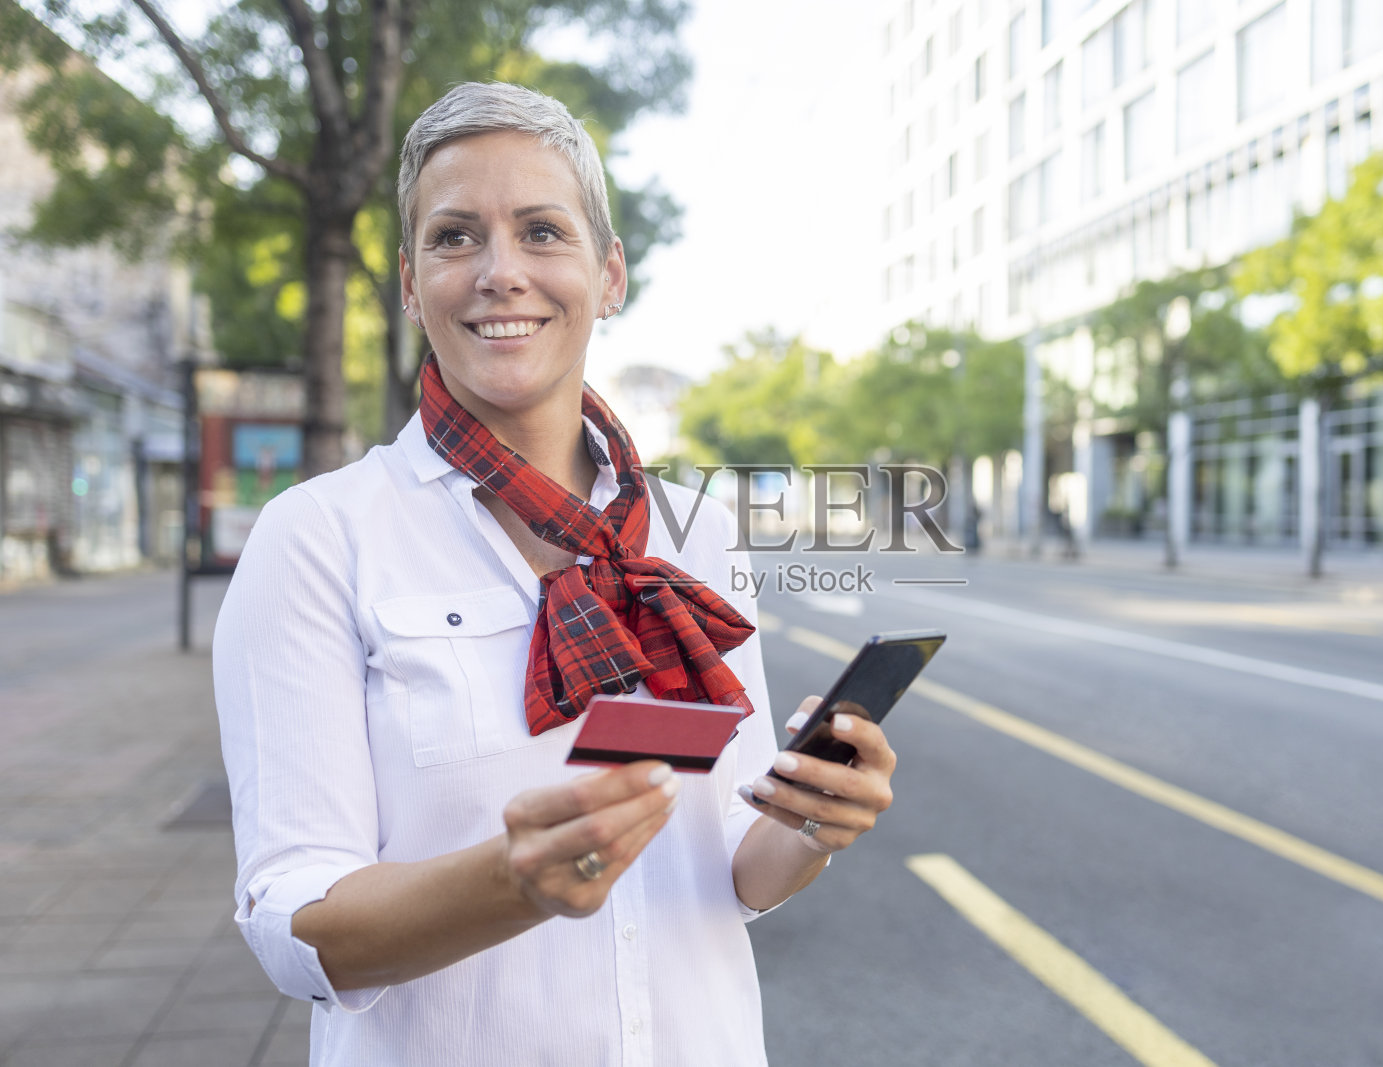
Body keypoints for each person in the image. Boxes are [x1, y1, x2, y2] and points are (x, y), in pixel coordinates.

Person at [213, 81, 898, 1066]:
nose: (501, 272)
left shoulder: (694, 532)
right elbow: (291, 921)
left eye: (541, 231)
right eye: (455, 237)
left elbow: (735, 871)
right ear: (411, 284)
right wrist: (512, 881)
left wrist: (811, 823)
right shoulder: (319, 537)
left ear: (607, 273)